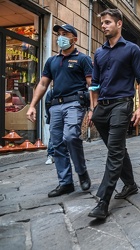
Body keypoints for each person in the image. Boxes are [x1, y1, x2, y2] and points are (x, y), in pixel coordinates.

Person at [87, 8, 140, 219]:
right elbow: (94, 84)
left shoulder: (132, 50)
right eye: (102, 23)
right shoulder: (99, 52)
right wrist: (92, 108)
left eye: (107, 22)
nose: (103, 26)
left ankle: (103, 201)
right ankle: (130, 184)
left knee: (113, 151)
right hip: (102, 107)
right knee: (118, 149)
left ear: (119, 23)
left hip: (122, 105)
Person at [26, 23, 92, 198]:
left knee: (70, 136)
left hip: (74, 103)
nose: (61, 37)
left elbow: (91, 85)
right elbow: (42, 84)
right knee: (57, 144)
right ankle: (66, 183)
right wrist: (32, 105)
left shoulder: (82, 59)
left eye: (65, 34)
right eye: (59, 34)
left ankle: (82, 172)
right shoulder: (52, 61)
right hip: (55, 106)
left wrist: (93, 108)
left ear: (74, 39)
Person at [45, 89, 54, 165]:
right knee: (53, 135)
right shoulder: (51, 93)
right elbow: (47, 106)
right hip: (54, 116)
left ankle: (51, 155)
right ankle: (51, 155)